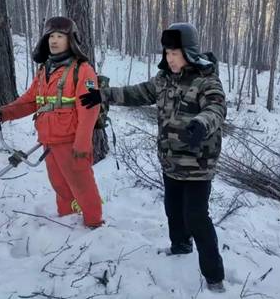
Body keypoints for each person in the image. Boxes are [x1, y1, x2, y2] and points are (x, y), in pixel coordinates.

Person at [80, 22, 227, 293]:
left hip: (198, 164)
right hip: (170, 161)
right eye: (167, 52)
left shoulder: (206, 80)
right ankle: (180, 246)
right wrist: (103, 95)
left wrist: (201, 124)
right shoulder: (163, 80)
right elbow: (136, 93)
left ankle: (214, 276)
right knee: (173, 209)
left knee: (196, 217)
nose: (170, 58)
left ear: (190, 52)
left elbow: (216, 109)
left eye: (175, 53)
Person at [0, 16, 103, 228]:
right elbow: (30, 101)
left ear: (71, 40)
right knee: (60, 185)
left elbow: (90, 109)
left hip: (72, 143)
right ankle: (68, 220)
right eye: (51, 36)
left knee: (82, 186)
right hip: (49, 142)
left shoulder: (82, 70)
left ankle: (94, 224)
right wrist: (4, 113)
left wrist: (82, 144)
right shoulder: (45, 70)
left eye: (60, 36)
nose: (54, 40)